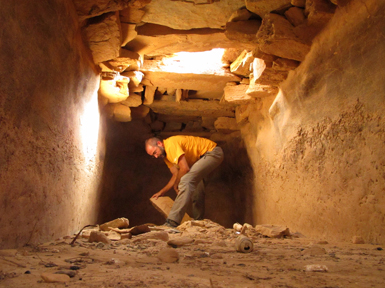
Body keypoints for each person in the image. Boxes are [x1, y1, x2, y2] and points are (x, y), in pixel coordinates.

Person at [145, 135, 224, 228]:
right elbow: (176, 174)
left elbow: (185, 168)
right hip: (200, 159)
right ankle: (198, 224)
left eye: (155, 152)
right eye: (153, 156)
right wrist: (162, 192)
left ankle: (172, 222)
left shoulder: (170, 144)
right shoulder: (166, 157)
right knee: (196, 191)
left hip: (212, 153)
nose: (156, 156)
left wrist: (177, 184)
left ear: (159, 144)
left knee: (185, 181)